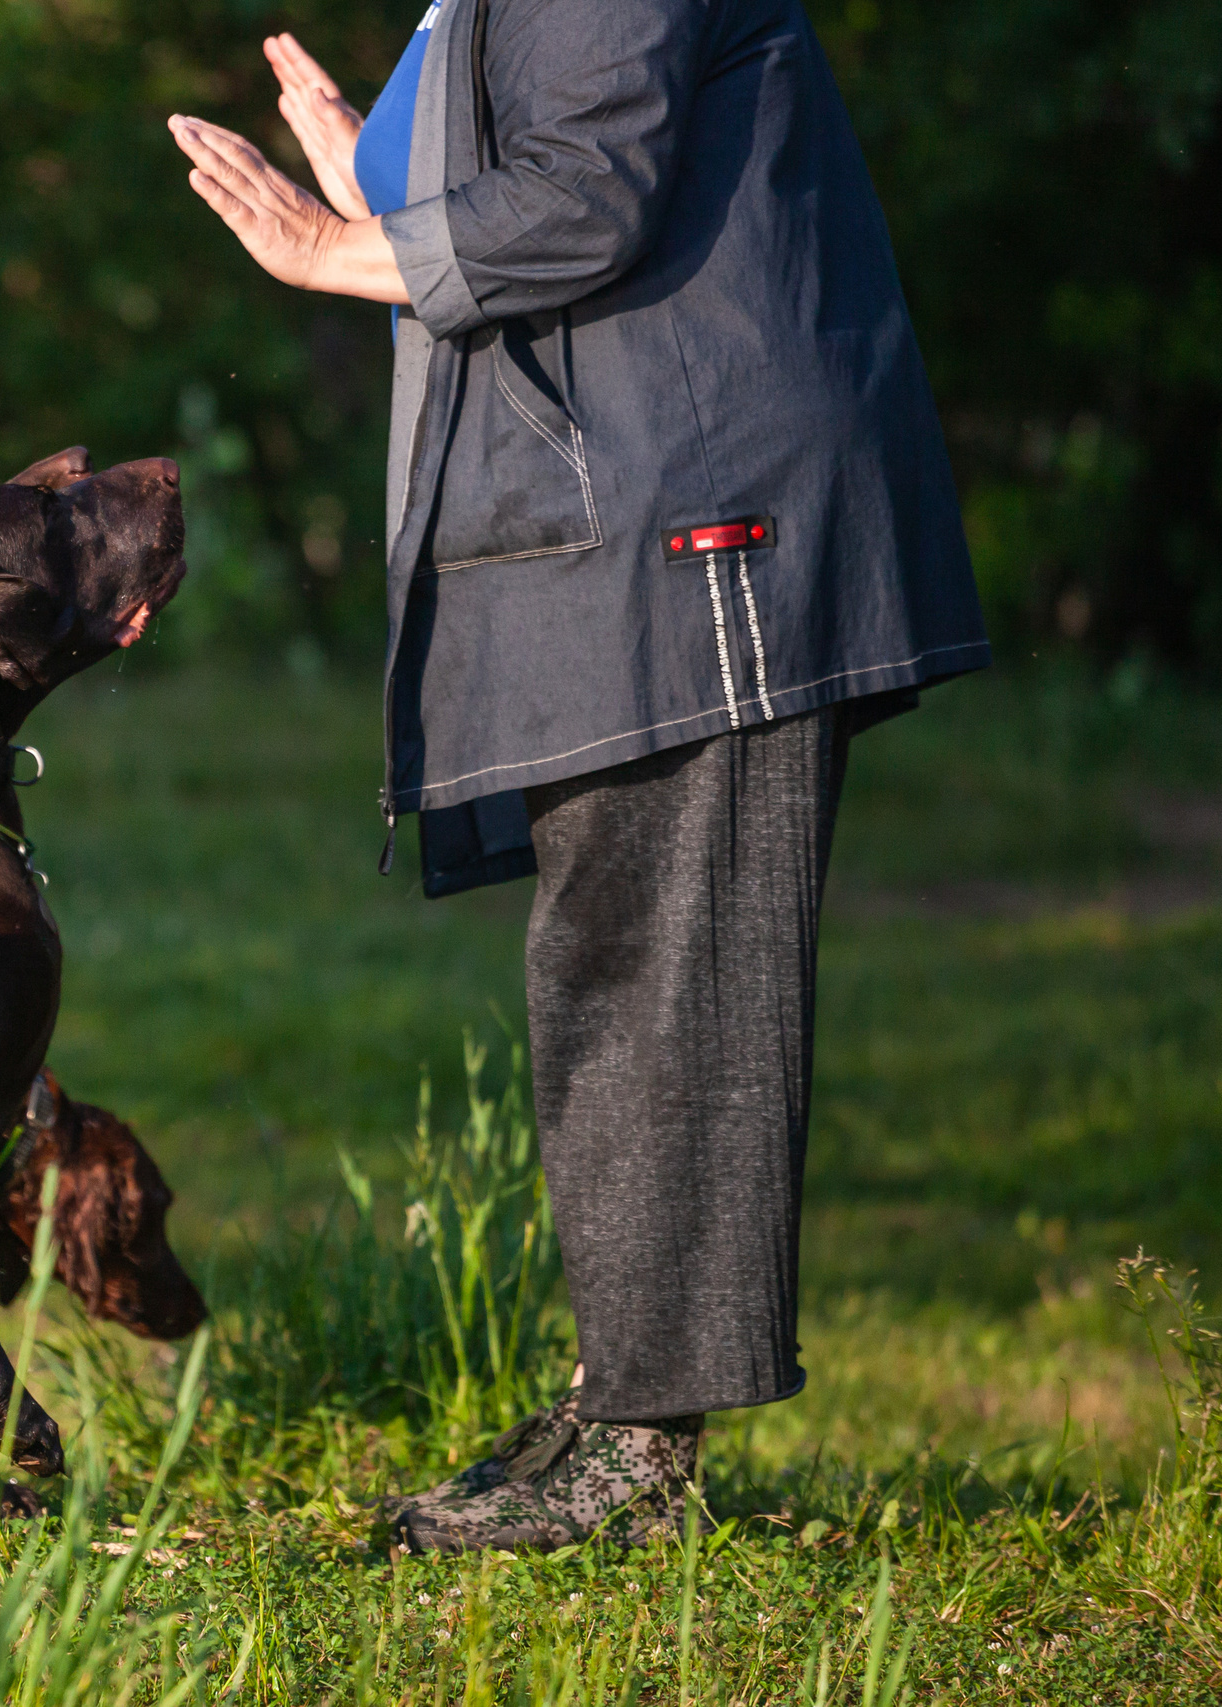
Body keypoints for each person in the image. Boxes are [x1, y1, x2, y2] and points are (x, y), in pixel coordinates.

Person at [170, 1, 988, 1554]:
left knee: (674, 970)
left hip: (696, 513)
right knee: (614, 960)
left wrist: (328, 249)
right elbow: (541, 169)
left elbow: (588, 195)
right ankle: (624, 1401)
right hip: (623, 514)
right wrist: (379, 190)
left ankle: (639, 1457)